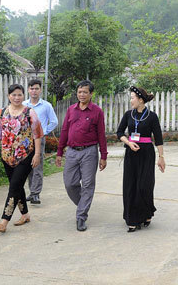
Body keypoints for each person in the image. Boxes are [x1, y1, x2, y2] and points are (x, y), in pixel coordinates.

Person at [56, 80, 107, 232]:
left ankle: (81, 216)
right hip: (71, 151)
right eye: (79, 92)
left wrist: (103, 155)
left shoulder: (97, 111)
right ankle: (83, 204)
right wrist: (60, 152)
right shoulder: (71, 110)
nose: (82, 95)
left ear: (91, 94)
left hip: (89, 152)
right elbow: (65, 130)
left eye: (85, 92)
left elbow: (101, 135)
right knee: (69, 183)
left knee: (88, 184)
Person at [0, 84, 43, 233]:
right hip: (7, 156)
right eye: (13, 95)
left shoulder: (29, 112)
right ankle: (25, 215)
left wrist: (38, 154)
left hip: (25, 156)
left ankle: (4, 221)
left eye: (19, 95)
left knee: (13, 187)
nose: (16, 97)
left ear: (23, 96)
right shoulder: (2, 113)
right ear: (8, 96)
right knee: (17, 187)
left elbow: (38, 134)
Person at [117, 86, 165, 233]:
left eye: (132, 98)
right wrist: (129, 142)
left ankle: (146, 212)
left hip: (147, 154)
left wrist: (161, 157)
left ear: (140, 100)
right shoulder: (128, 115)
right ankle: (133, 219)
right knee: (130, 185)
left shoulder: (152, 116)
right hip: (131, 153)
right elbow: (119, 132)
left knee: (144, 185)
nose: (131, 100)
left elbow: (158, 138)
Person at [24, 79, 58, 205]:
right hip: (25, 140)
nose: (34, 91)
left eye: (36, 88)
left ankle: (35, 193)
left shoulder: (46, 105)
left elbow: (54, 121)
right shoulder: (23, 105)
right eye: (32, 88)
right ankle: (31, 191)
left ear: (40, 90)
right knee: (27, 166)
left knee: (37, 165)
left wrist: (43, 132)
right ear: (28, 90)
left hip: (39, 138)